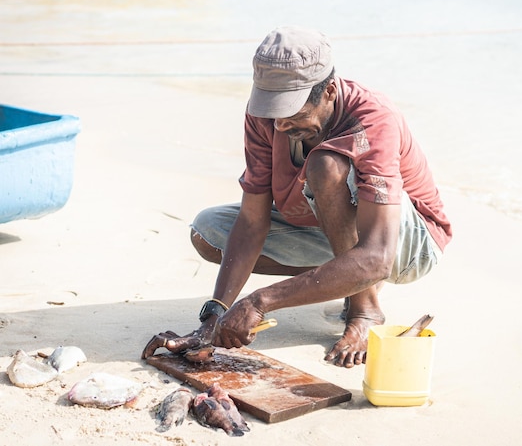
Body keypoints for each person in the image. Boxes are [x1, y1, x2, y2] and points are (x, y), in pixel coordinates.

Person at [142, 26, 452, 368]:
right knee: (208, 232)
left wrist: (260, 302)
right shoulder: (266, 118)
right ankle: (343, 276)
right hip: (333, 233)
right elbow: (251, 220)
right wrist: (215, 314)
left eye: (293, 114)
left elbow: (378, 256)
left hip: (407, 246)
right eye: (273, 113)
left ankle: (365, 309)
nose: (280, 127)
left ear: (330, 91)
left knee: (326, 164)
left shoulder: (374, 118)